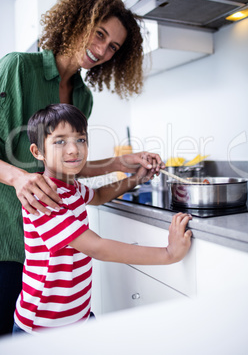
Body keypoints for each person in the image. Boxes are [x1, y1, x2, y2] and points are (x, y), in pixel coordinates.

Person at [0, 0, 164, 336]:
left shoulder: (82, 97)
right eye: (100, 33)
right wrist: (16, 177)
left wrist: (123, 163)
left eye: (114, 47)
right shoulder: (16, 67)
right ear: (78, 22)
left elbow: (70, 166)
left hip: (48, 247)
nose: (103, 50)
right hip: (6, 235)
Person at [13, 103, 192, 334]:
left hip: (78, 314)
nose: (74, 150)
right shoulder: (44, 196)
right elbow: (97, 247)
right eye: (60, 141)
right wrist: (169, 254)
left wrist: (137, 178)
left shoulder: (71, 186)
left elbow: (97, 196)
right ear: (38, 152)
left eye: (81, 139)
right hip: (44, 324)